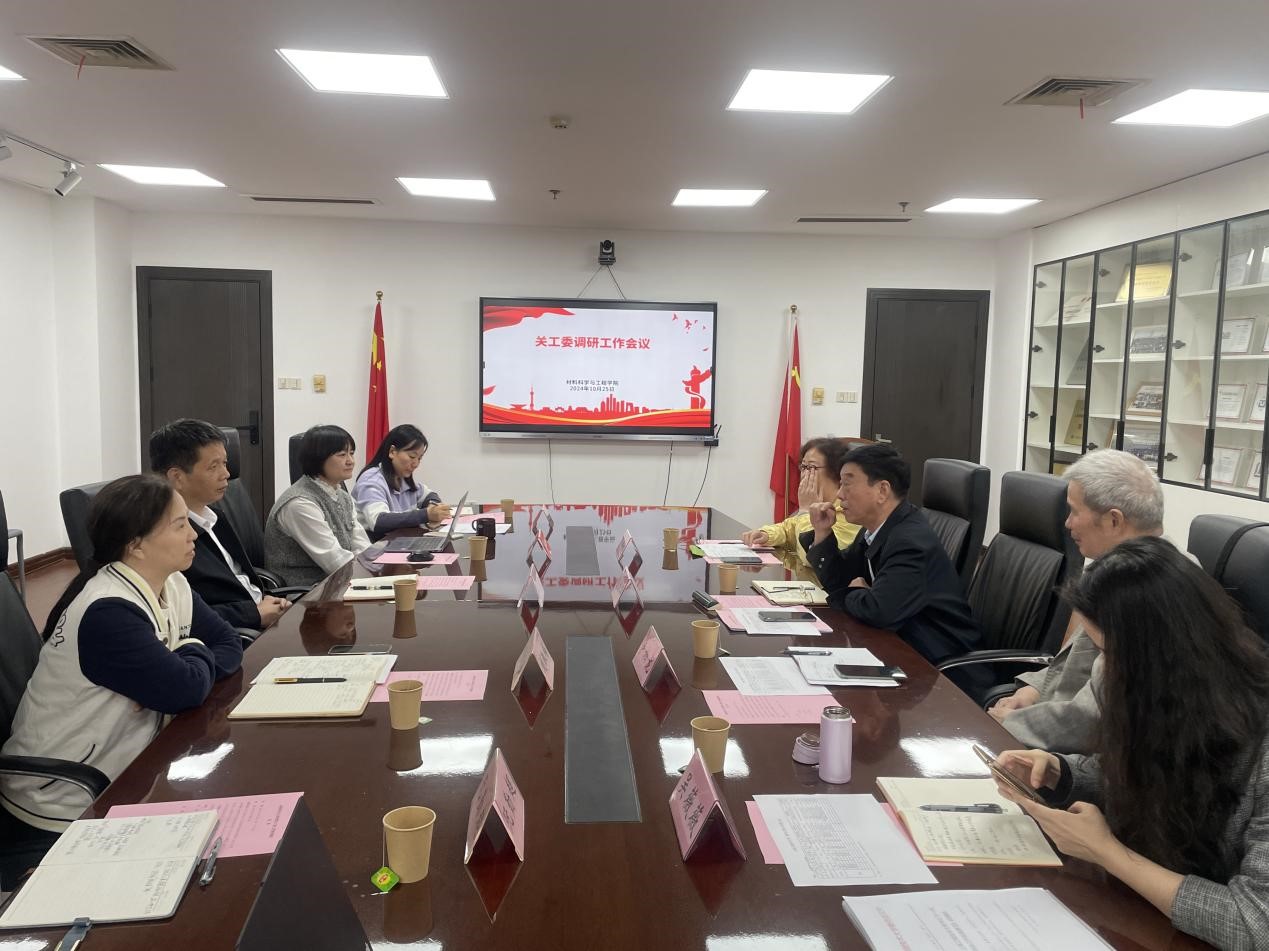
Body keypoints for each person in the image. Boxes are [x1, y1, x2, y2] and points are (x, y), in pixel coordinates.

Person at [993, 538, 1269, 950]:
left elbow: (1256, 923)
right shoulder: (1168, 699)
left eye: (1109, 652)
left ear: (1164, 656)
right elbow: (1140, 778)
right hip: (1151, 919)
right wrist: (1060, 773)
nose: (1104, 669)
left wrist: (1107, 853)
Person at [0, 475, 243, 836]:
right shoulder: (108, 611)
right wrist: (188, 653)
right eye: (180, 525)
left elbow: (229, 643)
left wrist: (180, 662)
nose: (193, 534)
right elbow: (185, 690)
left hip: (130, 767)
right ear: (136, 545)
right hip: (62, 798)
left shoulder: (172, 582)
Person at [989, 449, 1164, 753]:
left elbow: (1094, 718)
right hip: (1053, 727)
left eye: (1074, 511)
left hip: (1085, 754)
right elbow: (1075, 659)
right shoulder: (1114, 571)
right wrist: (1034, 689)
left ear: (1113, 520)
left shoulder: (1150, 590)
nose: (1068, 523)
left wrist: (1012, 724)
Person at [802, 443, 983, 678]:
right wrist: (822, 533)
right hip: (900, 649)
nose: (839, 494)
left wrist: (856, 592)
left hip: (942, 669)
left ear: (882, 491)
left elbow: (878, 611)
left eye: (847, 483)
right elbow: (841, 580)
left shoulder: (910, 541)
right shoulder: (877, 529)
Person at [150, 419, 291, 631]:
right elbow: (182, 615)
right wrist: (253, 614)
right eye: (213, 467)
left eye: (225, 463)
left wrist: (267, 603)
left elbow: (239, 579)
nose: (226, 474)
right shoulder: (165, 537)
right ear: (177, 477)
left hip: (263, 611)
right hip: (240, 632)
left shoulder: (215, 516)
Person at [264, 425, 372, 586]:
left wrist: (377, 568)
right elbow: (334, 561)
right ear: (318, 459)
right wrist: (374, 577)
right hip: (306, 591)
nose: (351, 461)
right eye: (342, 455)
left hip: (337, 582)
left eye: (351, 453)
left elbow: (361, 545)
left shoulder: (341, 496)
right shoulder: (299, 503)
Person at [740, 437, 859, 565]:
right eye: (803, 467)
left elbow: (812, 558)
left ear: (836, 472)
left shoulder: (849, 509)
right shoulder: (819, 503)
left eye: (811, 467)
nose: (804, 475)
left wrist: (805, 512)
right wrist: (766, 535)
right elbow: (789, 530)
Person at [352, 424, 452, 541]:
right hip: (375, 545)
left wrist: (433, 505)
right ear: (392, 451)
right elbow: (379, 520)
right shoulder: (371, 479)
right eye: (412, 456)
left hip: (399, 542)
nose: (416, 464)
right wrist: (426, 515)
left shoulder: (401, 477)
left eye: (419, 458)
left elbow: (428, 494)